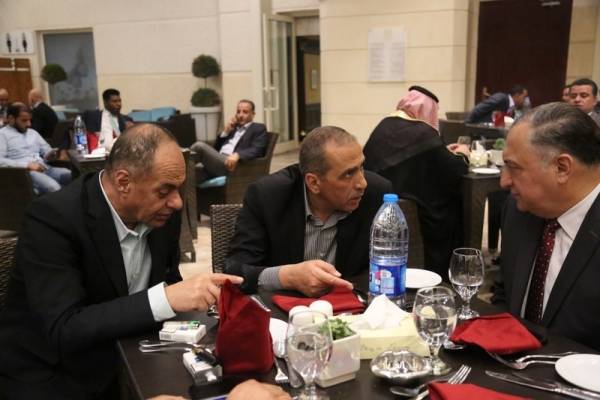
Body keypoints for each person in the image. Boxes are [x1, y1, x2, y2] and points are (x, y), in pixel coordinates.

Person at [0, 123, 244, 399]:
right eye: (164, 190)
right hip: (55, 374)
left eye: (179, 188)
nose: (177, 202)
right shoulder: (52, 219)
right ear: (123, 181)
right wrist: (165, 298)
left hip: (133, 354)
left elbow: (167, 281)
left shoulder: (162, 213)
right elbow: (64, 328)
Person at [225, 125, 392, 297]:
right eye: (348, 174)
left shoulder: (376, 194)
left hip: (350, 306)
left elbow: (389, 264)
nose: (362, 183)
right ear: (313, 183)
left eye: (361, 167)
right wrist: (287, 276)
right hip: (283, 308)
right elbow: (235, 271)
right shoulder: (267, 197)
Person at [493, 102, 600, 351]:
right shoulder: (518, 210)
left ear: (562, 168)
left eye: (514, 167)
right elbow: (504, 292)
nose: (504, 181)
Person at [363, 86, 469, 277]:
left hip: (375, 202)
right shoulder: (423, 132)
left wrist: (442, 151)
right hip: (411, 208)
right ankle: (451, 267)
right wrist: (462, 154)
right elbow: (453, 170)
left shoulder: (384, 124)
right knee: (452, 201)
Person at [190, 99, 268, 183]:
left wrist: (238, 155)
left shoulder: (258, 128)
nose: (240, 115)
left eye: (245, 112)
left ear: (253, 114)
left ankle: (179, 164)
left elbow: (257, 149)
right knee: (190, 176)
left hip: (231, 165)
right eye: (238, 112)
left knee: (199, 147)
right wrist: (226, 131)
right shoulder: (233, 128)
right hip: (218, 162)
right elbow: (216, 149)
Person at [0, 103, 71, 194]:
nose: (29, 124)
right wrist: (27, 165)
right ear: (11, 119)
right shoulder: (2, 135)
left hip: (45, 168)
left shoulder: (33, 133)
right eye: (24, 120)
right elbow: (1, 161)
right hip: (25, 173)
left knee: (72, 175)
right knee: (54, 187)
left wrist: (50, 155)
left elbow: (46, 150)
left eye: (30, 120)